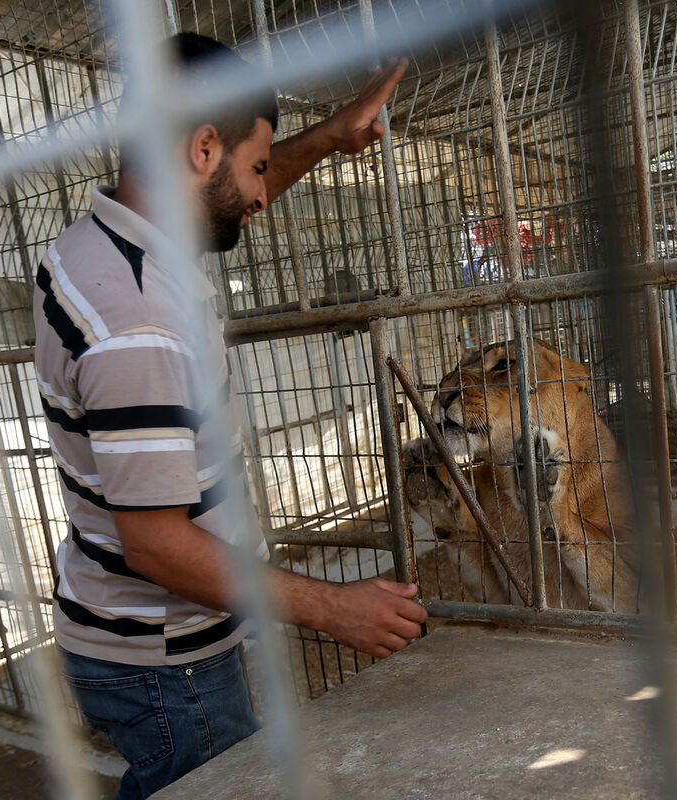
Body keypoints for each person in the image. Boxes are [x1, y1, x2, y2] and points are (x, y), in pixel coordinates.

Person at [33, 32, 426, 799]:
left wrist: (325, 137)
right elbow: (155, 543)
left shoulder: (104, 243)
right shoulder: (137, 318)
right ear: (202, 148)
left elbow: (232, 192)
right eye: (253, 167)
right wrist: (331, 608)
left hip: (133, 639)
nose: (261, 195)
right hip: (166, 661)